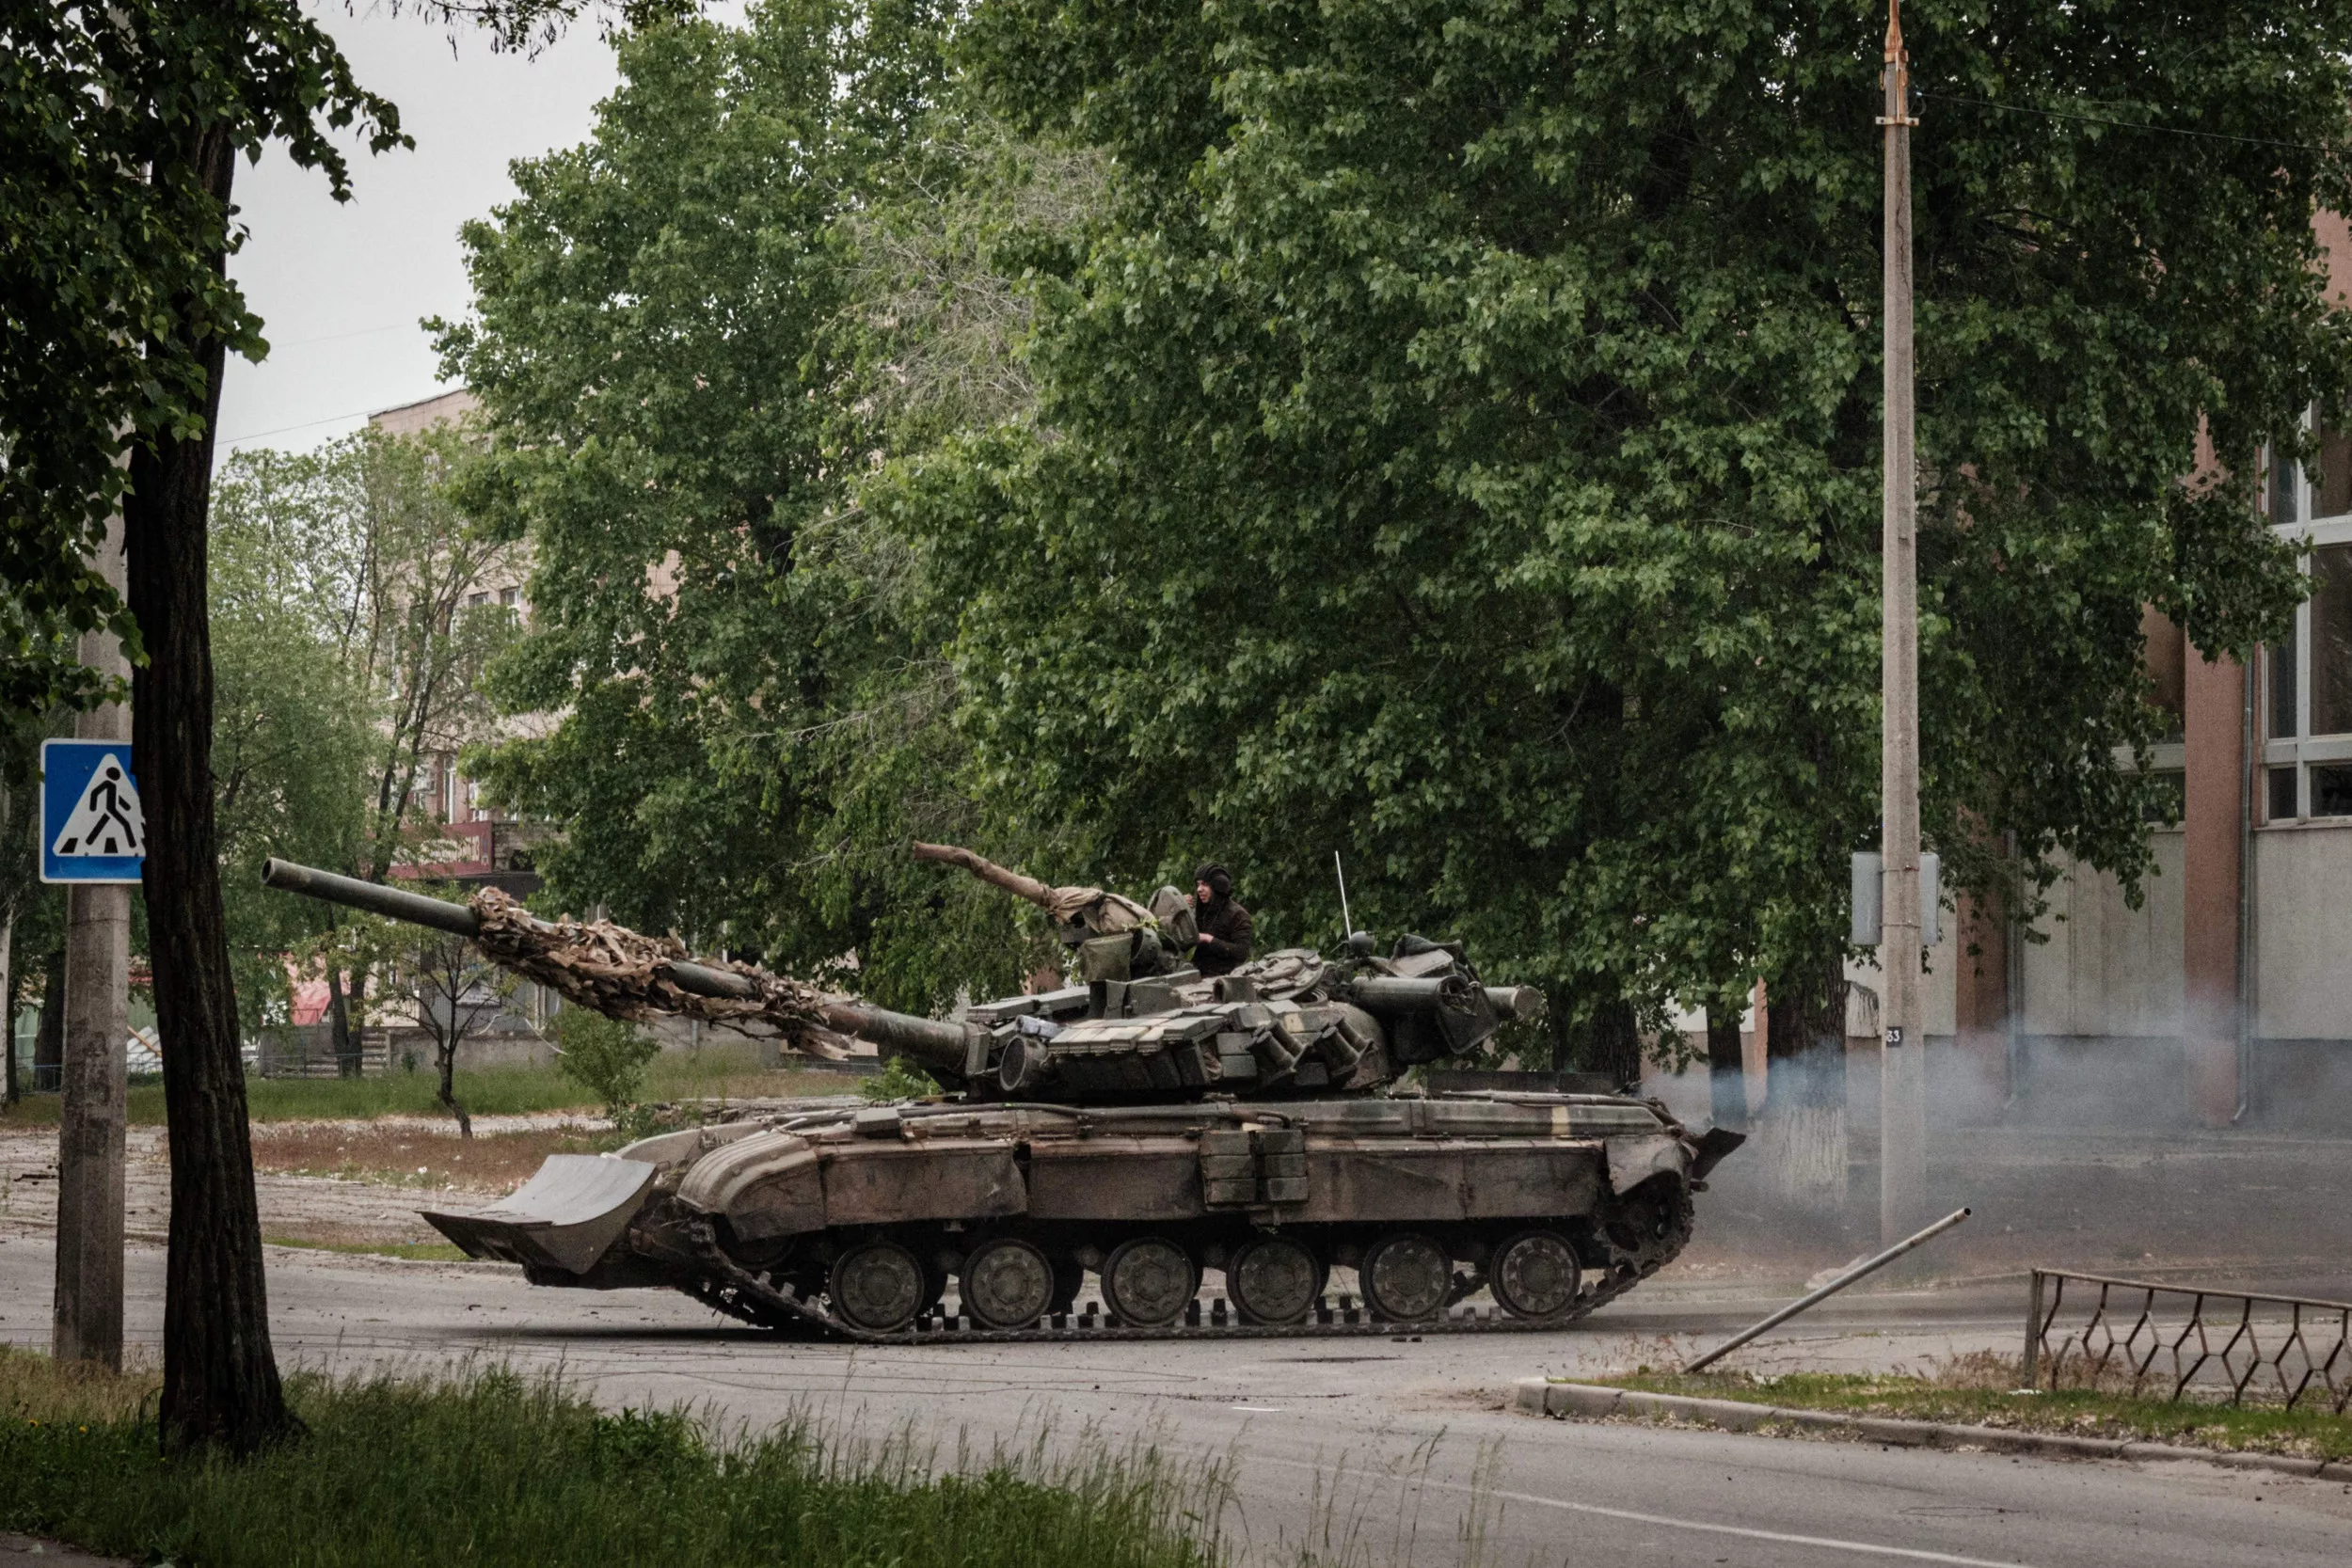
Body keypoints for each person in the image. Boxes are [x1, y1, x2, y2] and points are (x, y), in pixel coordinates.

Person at [1189, 863, 1253, 977]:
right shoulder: (1202, 912)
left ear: (1217, 887)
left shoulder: (1238, 915)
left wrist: (1209, 939)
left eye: (1204, 884)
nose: (1199, 889)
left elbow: (1241, 952)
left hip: (1225, 977)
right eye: (1198, 885)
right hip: (1197, 973)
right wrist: (1182, 908)